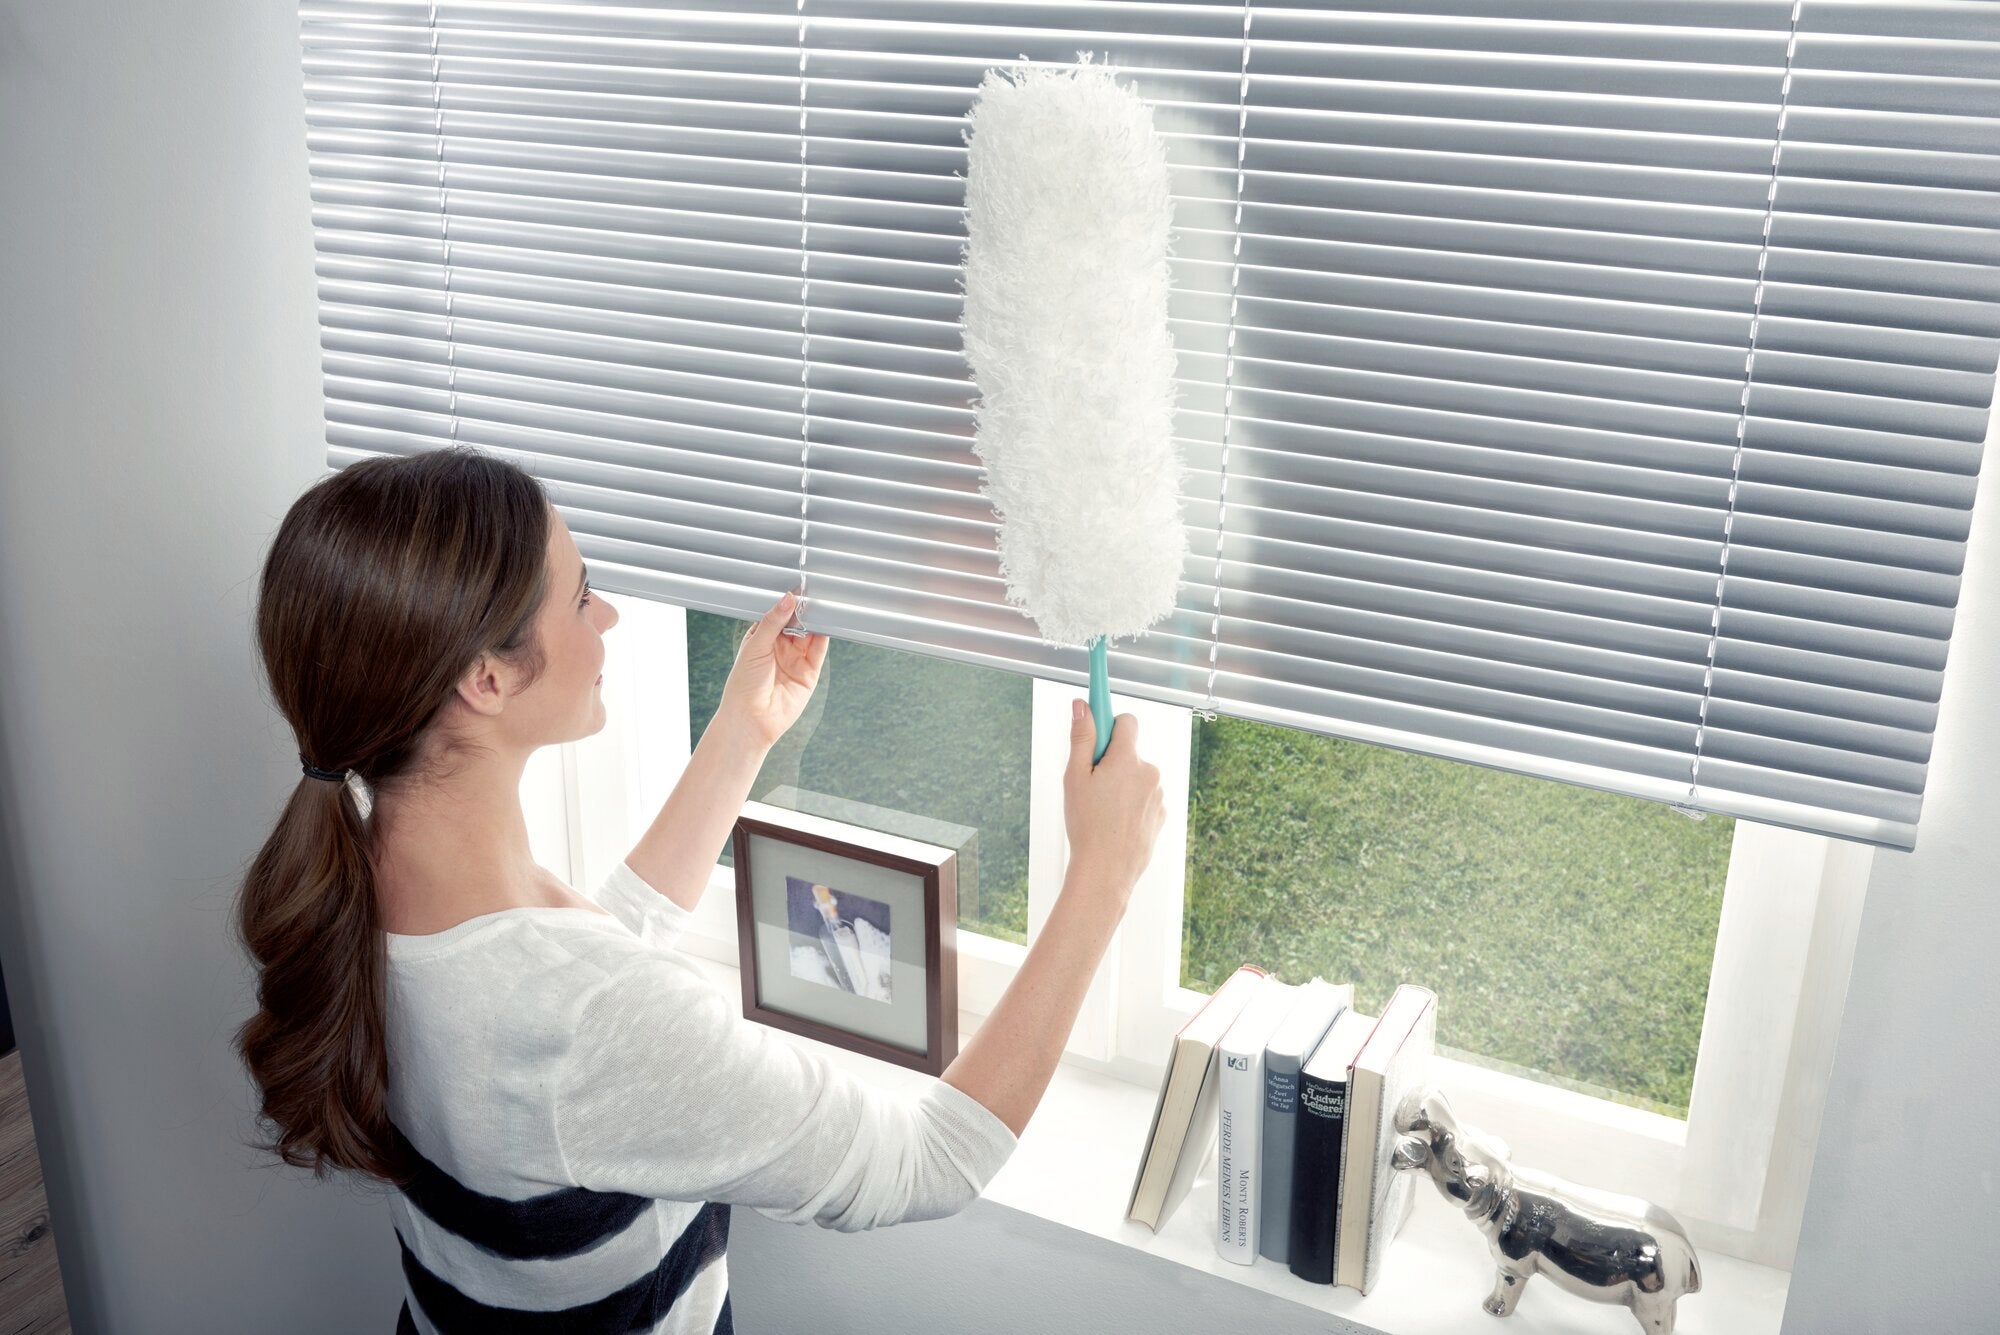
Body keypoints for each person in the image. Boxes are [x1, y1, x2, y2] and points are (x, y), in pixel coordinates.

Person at [234, 446, 1166, 1334]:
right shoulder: (577, 1013)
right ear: (486, 677)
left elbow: (583, 980)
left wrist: (742, 734)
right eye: (583, 596)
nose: (608, 620)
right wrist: (1101, 878)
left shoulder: (380, 891)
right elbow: (930, 1162)